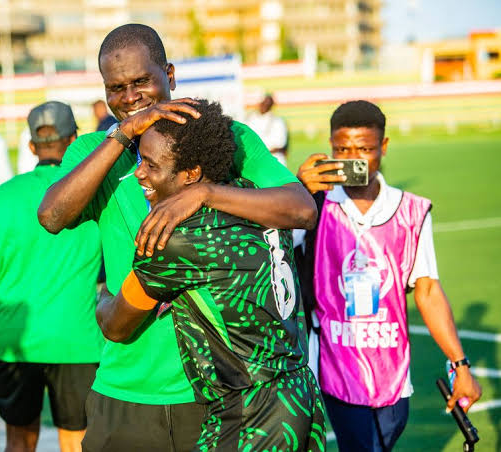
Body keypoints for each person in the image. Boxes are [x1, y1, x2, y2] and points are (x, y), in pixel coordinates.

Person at [38, 24, 317, 452]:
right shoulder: (94, 150)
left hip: (214, 391)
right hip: (125, 386)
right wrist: (123, 134)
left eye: (140, 81)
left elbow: (301, 209)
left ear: (169, 74)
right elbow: (52, 216)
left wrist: (204, 193)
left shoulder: (225, 137)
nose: (130, 98)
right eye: (115, 88)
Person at [96, 99, 326, 452]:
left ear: (191, 174)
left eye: (151, 165)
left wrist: (102, 295)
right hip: (299, 395)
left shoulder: (177, 239)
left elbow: (116, 325)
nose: (139, 173)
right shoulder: (259, 198)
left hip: (249, 411)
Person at [294, 100, 482, 451]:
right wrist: (297, 190)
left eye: (364, 149)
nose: (353, 159)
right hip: (337, 366)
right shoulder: (312, 205)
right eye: (342, 150)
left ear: (384, 146)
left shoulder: (411, 210)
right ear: (330, 147)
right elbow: (270, 250)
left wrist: (460, 364)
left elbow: (427, 289)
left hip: (392, 370)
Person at [0, 101, 104, 452]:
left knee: (19, 442)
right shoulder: (97, 195)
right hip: (80, 341)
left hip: (15, 343)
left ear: (31, 146)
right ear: (74, 140)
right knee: (77, 443)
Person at [245, 93, 289, 166]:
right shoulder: (250, 119)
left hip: (273, 158)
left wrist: (263, 153)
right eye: (264, 102)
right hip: (253, 158)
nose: (265, 105)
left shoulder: (278, 121)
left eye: (268, 103)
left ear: (272, 105)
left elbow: (281, 144)